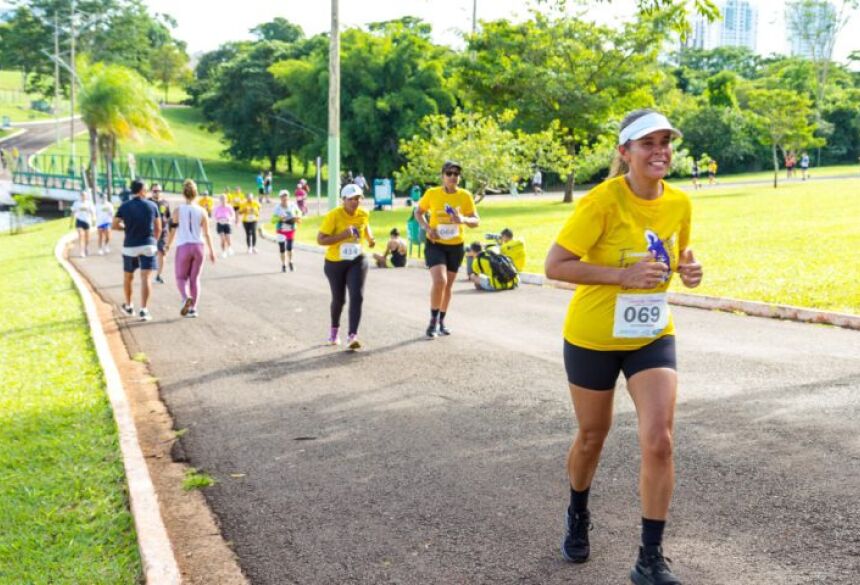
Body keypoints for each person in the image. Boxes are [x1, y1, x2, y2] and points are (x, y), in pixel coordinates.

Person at [544, 109, 703, 585]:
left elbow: (675, 254)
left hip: (651, 334)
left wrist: (690, 269)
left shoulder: (678, 203)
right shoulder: (601, 202)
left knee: (660, 440)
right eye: (647, 143)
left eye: (665, 142)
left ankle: (650, 559)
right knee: (593, 436)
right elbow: (555, 265)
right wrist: (622, 277)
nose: (660, 151)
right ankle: (578, 511)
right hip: (593, 336)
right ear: (625, 152)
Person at [413, 160, 479, 338]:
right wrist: (427, 228)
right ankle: (432, 321)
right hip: (435, 244)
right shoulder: (432, 193)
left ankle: (442, 320)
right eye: (449, 173)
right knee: (440, 281)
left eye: (456, 174)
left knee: (448, 286)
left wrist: (463, 220)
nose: (453, 177)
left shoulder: (465, 196)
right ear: (442, 176)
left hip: (456, 246)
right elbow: (418, 212)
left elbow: (476, 221)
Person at [317, 184, 375, 350]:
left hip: (357, 259)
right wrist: (344, 235)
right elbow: (320, 240)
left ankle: (352, 336)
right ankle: (334, 332)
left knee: (357, 296)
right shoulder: (334, 216)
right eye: (351, 199)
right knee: (339, 300)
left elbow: (365, 225)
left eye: (357, 198)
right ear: (343, 200)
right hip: (335, 262)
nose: (355, 202)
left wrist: (370, 238)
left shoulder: (364, 213)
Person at [165, 179, 216, 318]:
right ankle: (193, 309)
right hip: (199, 247)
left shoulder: (177, 210)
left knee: (181, 277)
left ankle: (185, 297)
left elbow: (173, 231)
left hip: (184, 246)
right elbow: (207, 233)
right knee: (195, 279)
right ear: (196, 194)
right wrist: (211, 251)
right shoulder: (202, 211)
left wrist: (167, 245)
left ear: (183, 194)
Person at [113, 180, 161, 322]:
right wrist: (154, 242)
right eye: (145, 189)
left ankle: (129, 306)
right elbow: (158, 228)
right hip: (148, 245)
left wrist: (126, 228)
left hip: (130, 246)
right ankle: (144, 310)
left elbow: (114, 225)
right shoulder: (152, 205)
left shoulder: (124, 206)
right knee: (146, 277)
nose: (147, 191)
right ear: (141, 191)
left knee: (128, 277)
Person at [272, 189, 302, 272]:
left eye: (286, 196)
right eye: (282, 196)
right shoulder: (277, 207)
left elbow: (299, 212)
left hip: (291, 229)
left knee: (290, 247)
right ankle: (283, 264)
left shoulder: (292, 205)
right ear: (280, 198)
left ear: (288, 197)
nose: (284, 198)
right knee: (282, 248)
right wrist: (279, 218)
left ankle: (291, 262)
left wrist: (298, 217)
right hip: (281, 230)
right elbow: (272, 220)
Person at [150, 184, 172, 284]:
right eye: (155, 191)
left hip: (163, 231)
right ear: (151, 192)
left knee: (162, 253)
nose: (157, 193)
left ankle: (158, 275)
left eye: (158, 191)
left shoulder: (165, 203)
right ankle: (147, 273)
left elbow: (168, 217)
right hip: (150, 231)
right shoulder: (148, 202)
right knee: (150, 253)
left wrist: (170, 231)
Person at [70, 190, 96, 258]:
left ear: (86, 196)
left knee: (87, 238)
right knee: (81, 236)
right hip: (79, 221)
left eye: (84, 195)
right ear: (80, 196)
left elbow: (92, 212)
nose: (83, 196)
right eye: (82, 195)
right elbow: (73, 213)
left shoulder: (89, 203)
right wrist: (71, 222)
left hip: (87, 222)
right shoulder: (76, 203)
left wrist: (93, 220)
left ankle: (86, 248)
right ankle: (81, 252)